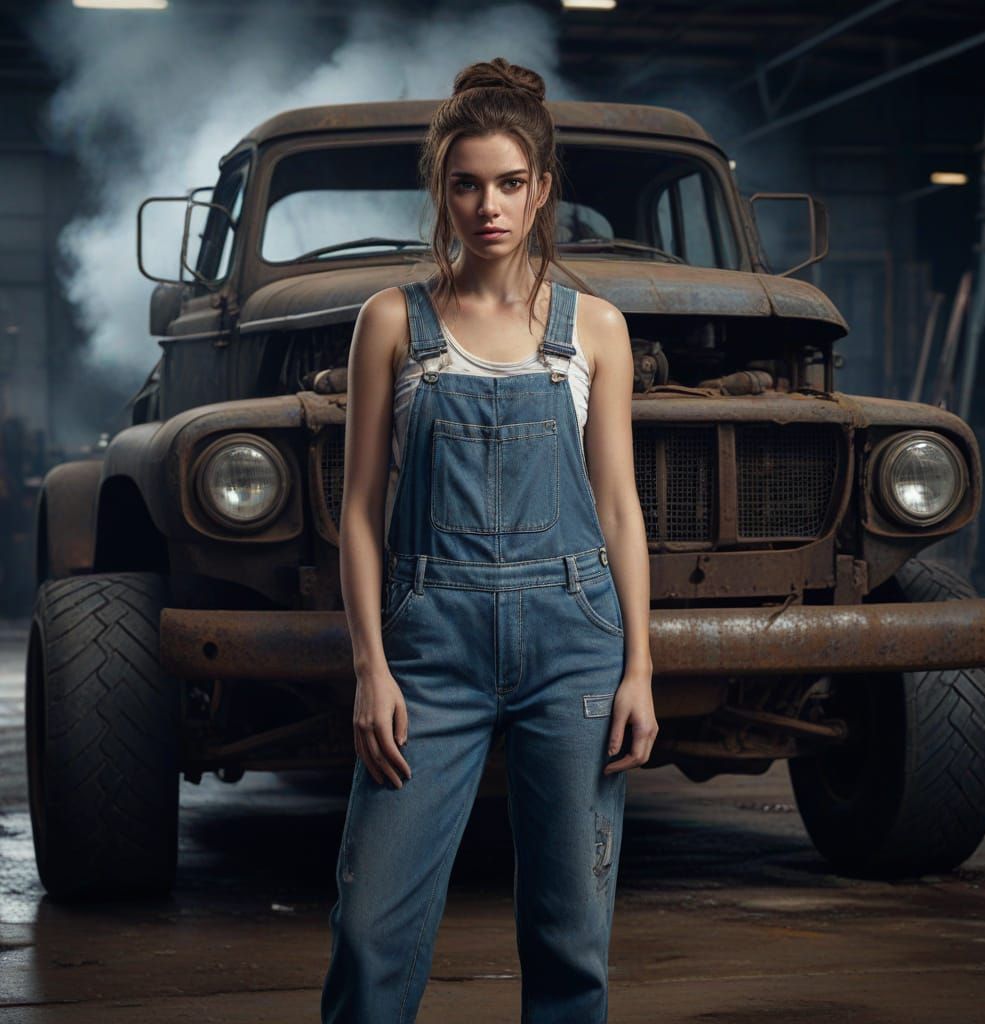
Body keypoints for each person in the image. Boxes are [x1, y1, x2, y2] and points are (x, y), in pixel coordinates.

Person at [321, 57, 656, 1024]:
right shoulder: (391, 322)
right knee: (371, 931)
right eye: (466, 184)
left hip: (574, 645)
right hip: (430, 651)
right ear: (442, 188)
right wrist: (370, 669)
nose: (489, 206)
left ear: (543, 189)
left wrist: (640, 666)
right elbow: (356, 508)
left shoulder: (596, 328)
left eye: (510, 184)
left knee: (570, 940)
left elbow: (620, 507)